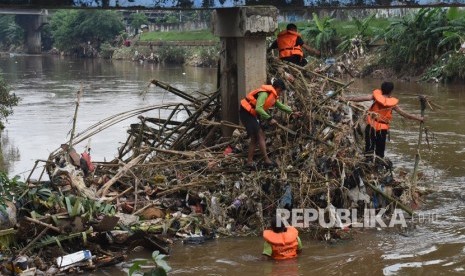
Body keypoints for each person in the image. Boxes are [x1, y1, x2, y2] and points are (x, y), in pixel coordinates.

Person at [345, 81, 424, 159]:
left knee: (369, 150)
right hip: (382, 129)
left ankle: (368, 162)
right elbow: (405, 115)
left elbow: (360, 98)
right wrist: (419, 118)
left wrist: (345, 98)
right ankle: (378, 164)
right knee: (380, 151)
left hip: (371, 126)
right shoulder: (393, 104)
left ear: (381, 89)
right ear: (391, 91)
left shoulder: (375, 97)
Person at [239, 78, 301, 169]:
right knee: (259, 135)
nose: (281, 93)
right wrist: (270, 118)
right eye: (281, 91)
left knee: (256, 137)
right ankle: (266, 160)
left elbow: (281, 106)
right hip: (246, 113)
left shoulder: (272, 96)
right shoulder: (264, 94)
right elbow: (258, 108)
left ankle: (250, 162)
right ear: (278, 88)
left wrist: (292, 112)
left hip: (252, 114)